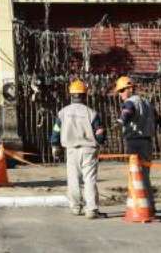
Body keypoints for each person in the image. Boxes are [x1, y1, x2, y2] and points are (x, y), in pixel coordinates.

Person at [114, 75, 161, 213]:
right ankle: (149, 205)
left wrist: (120, 122)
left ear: (130, 88)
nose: (120, 94)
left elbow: (127, 112)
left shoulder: (130, 102)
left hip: (134, 143)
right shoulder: (147, 103)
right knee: (144, 175)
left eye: (121, 90)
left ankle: (141, 206)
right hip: (147, 143)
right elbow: (159, 119)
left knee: (136, 175)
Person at [50, 79, 106, 219]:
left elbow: (56, 130)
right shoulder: (91, 113)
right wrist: (102, 141)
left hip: (71, 150)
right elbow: (99, 132)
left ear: (71, 95)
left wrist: (55, 145)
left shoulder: (63, 113)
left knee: (73, 179)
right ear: (84, 95)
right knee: (89, 179)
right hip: (89, 150)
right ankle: (91, 209)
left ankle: (76, 207)